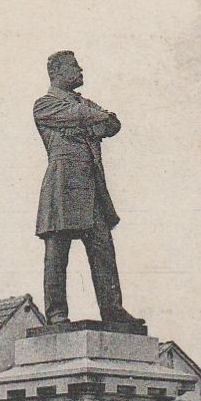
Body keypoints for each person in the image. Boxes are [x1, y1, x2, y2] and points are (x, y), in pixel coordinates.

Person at [33, 51, 140, 328]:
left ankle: (112, 309)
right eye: (74, 66)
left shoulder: (83, 104)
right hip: (62, 187)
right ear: (56, 71)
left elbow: (113, 124)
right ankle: (56, 314)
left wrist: (92, 120)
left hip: (92, 189)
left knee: (103, 250)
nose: (81, 70)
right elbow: (87, 116)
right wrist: (94, 120)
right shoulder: (45, 105)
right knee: (57, 252)